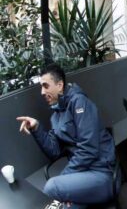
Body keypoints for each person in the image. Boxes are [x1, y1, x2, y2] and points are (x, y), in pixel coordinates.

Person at [16, 64, 116, 209]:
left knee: (52, 187)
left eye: (46, 86)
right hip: (83, 176)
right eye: (41, 87)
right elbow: (54, 152)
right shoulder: (56, 115)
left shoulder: (80, 103)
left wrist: (64, 178)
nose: (42, 92)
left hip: (103, 175)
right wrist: (36, 128)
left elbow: (89, 149)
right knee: (67, 207)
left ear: (60, 85)